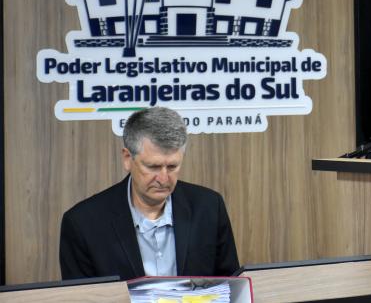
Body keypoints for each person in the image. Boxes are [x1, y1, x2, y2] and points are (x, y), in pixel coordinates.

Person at [59, 107, 239, 280]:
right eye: (153, 167)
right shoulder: (82, 224)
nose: (163, 179)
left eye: (172, 166)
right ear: (127, 159)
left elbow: (231, 286)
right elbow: (81, 296)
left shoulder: (209, 207)